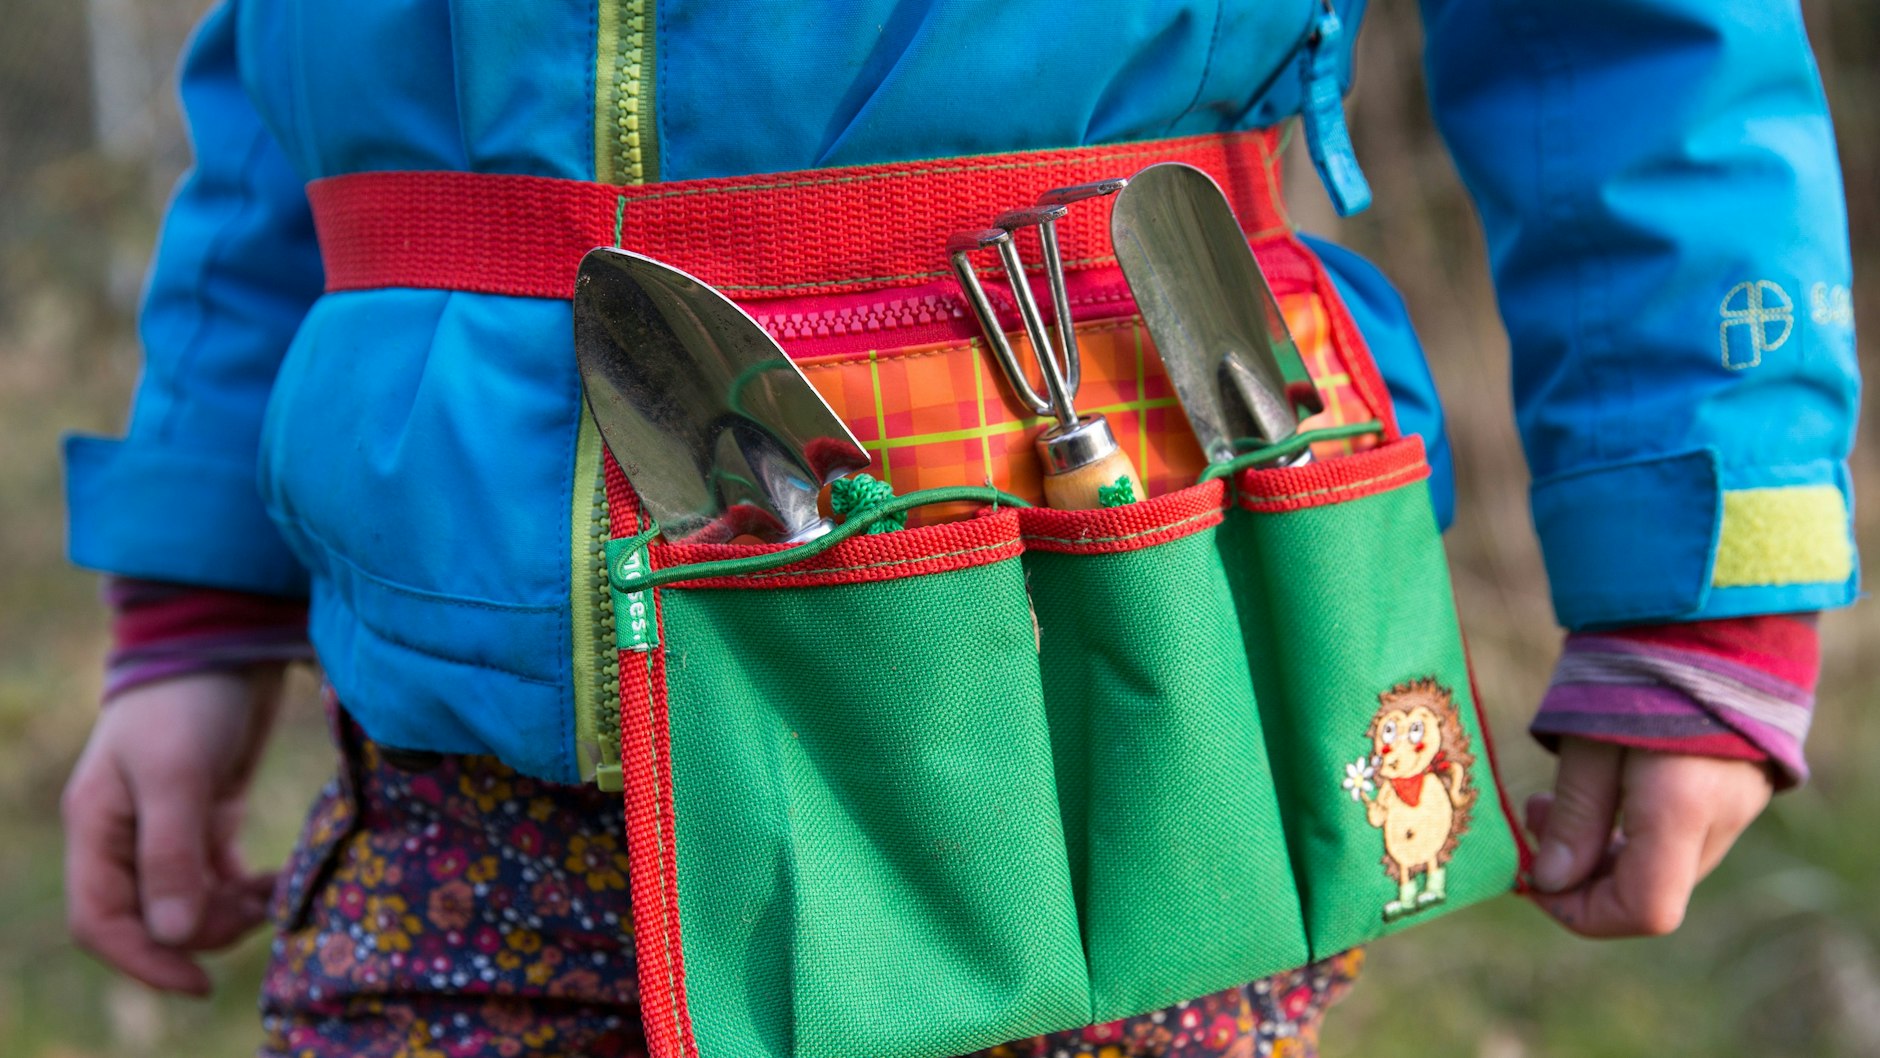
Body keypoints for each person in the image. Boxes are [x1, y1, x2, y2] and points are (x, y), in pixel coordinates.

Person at [60, 1, 1855, 1056]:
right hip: (475, 738)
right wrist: (198, 592)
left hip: (1098, 735)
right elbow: (287, 115)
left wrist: (1703, 580)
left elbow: (1627, 43)